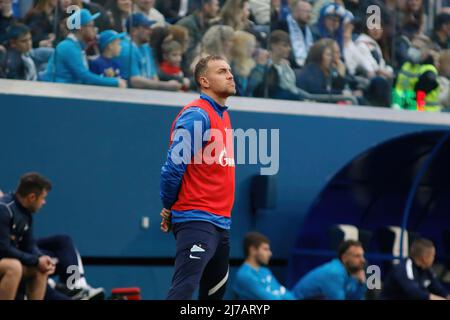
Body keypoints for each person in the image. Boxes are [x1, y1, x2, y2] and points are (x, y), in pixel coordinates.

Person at [159, 55, 236, 300]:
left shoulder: (223, 115)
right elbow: (173, 167)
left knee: (214, 296)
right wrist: (168, 206)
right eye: (222, 71)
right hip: (197, 219)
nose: (230, 75)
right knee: (183, 291)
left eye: (230, 70)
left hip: (221, 223)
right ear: (204, 81)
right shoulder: (197, 115)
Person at [0, 173, 55, 300]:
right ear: (31, 197)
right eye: (42, 198)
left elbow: (29, 245)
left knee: (40, 270)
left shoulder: (26, 214)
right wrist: (36, 260)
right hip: (5, 261)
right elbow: (3, 249)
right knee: (13, 267)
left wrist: (41, 257)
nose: (44, 202)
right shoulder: (4, 209)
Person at [41, 8, 127, 88]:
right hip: (57, 94)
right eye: (91, 26)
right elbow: (84, 76)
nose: (95, 30)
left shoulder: (77, 46)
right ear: (81, 28)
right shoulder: (68, 47)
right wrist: (115, 82)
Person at [293, 240, 367, 300]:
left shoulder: (351, 273)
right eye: (357, 256)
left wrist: (361, 284)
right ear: (344, 258)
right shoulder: (334, 273)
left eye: (362, 256)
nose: (363, 260)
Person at [381, 238, 450, 300]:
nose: (434, 258)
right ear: (424, 258)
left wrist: (447, 296)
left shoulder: (426, 270)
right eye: (433, 255)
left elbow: (438, 289)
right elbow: (413, 292)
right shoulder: (402, 268)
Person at [233, 232, 295, 300]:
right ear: (253, 250)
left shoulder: (265, 270)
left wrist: (279, 293)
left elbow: (286, 293)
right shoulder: (244, 275)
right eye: (265, 249)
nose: (270, 253)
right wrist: (278, 293)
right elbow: (272, 298)